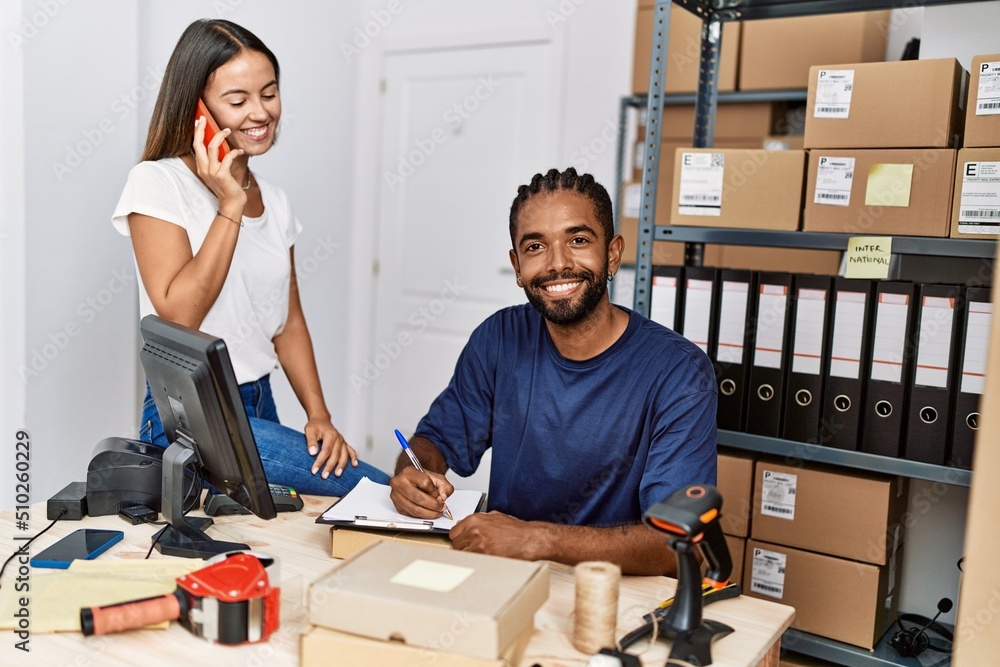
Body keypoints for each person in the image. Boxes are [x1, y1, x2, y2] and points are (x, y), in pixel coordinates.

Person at [389, 167, 717, 576]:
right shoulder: (499, 338)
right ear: (516, 264)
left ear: (612, 253)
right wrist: (410, 474)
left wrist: (535, 540)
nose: (557, 263)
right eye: (535, 247)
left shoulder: (679, 373)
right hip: (508, 577)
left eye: (578, 241)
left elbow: (675, 541)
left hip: (617, 591)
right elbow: (434, 441)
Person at [112, 19, 389, 495]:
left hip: (262, 402)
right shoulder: (156, 183)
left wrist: (318, 414)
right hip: (191, 413)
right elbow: (180, 314)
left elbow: (289, 322)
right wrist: (231, 205)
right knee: (376, 490)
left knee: (284, 548)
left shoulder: (277, 201)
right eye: (237, 101)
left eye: (269, 93)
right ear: (195, 107)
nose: (260, 112)